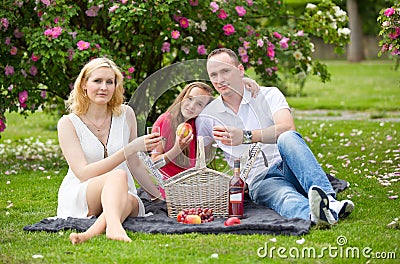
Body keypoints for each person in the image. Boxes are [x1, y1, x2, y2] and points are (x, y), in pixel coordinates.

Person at [196, 48, 354, 225]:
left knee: (288, 137)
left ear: (240, 70)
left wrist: (245, 136)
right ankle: (315, 215)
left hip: (290, 164)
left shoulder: (268, 94)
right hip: (259, 178)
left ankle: (329, 201)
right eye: (214, 74)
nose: (220, 79)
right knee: (283, 196)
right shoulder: (208, 117)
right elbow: (198, 158)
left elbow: (287, 127)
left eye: (226, 71)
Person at [56, 57, 162, 244]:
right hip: (83, 191)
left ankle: (91, 233)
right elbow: (82, 173)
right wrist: (129, 149)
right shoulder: (68, 123)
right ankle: (114, 227)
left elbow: (135, 163)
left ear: (115, 87)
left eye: (109, 82)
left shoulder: (126, 114)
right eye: (97, 81)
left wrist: (157, 196)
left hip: (123, 192)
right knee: (118, 175)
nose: (104, 87)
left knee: (130, 199)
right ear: (84, 86)